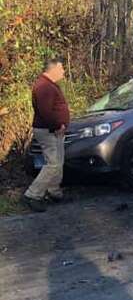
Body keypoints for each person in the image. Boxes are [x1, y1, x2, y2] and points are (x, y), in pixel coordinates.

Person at [22, 57, 70, 212]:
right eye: (62, 68)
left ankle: (53, 191)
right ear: (54, 68)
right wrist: (57, 125)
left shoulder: (49, 85)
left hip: (53, 129)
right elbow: (45, 112)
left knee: (58, 161)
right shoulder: (44, 86)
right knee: (53, 163)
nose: (64, 71)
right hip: (49, 130)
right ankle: (32, 195)